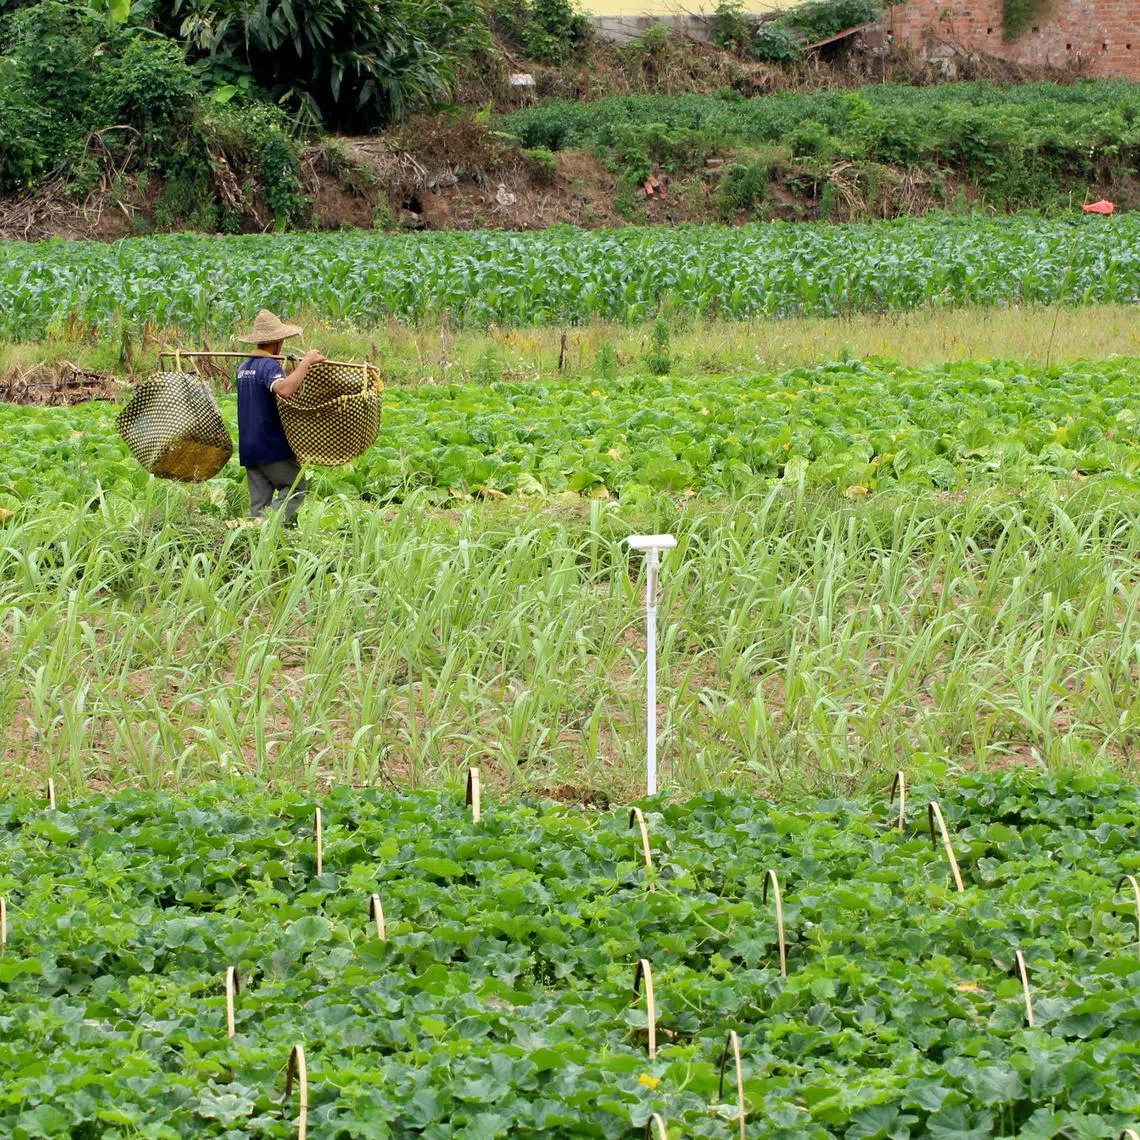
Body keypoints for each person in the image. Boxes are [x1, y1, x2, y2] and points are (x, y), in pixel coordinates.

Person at [235, 309, 325, 522]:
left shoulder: (244, 367)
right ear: (277, 342)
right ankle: (265, 526)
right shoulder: (268, 365)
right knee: (296, 488)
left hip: (249, 446)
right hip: (271, 445)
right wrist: (305, 363)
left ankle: (259, 546)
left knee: (259, 505)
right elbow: (284, 390)